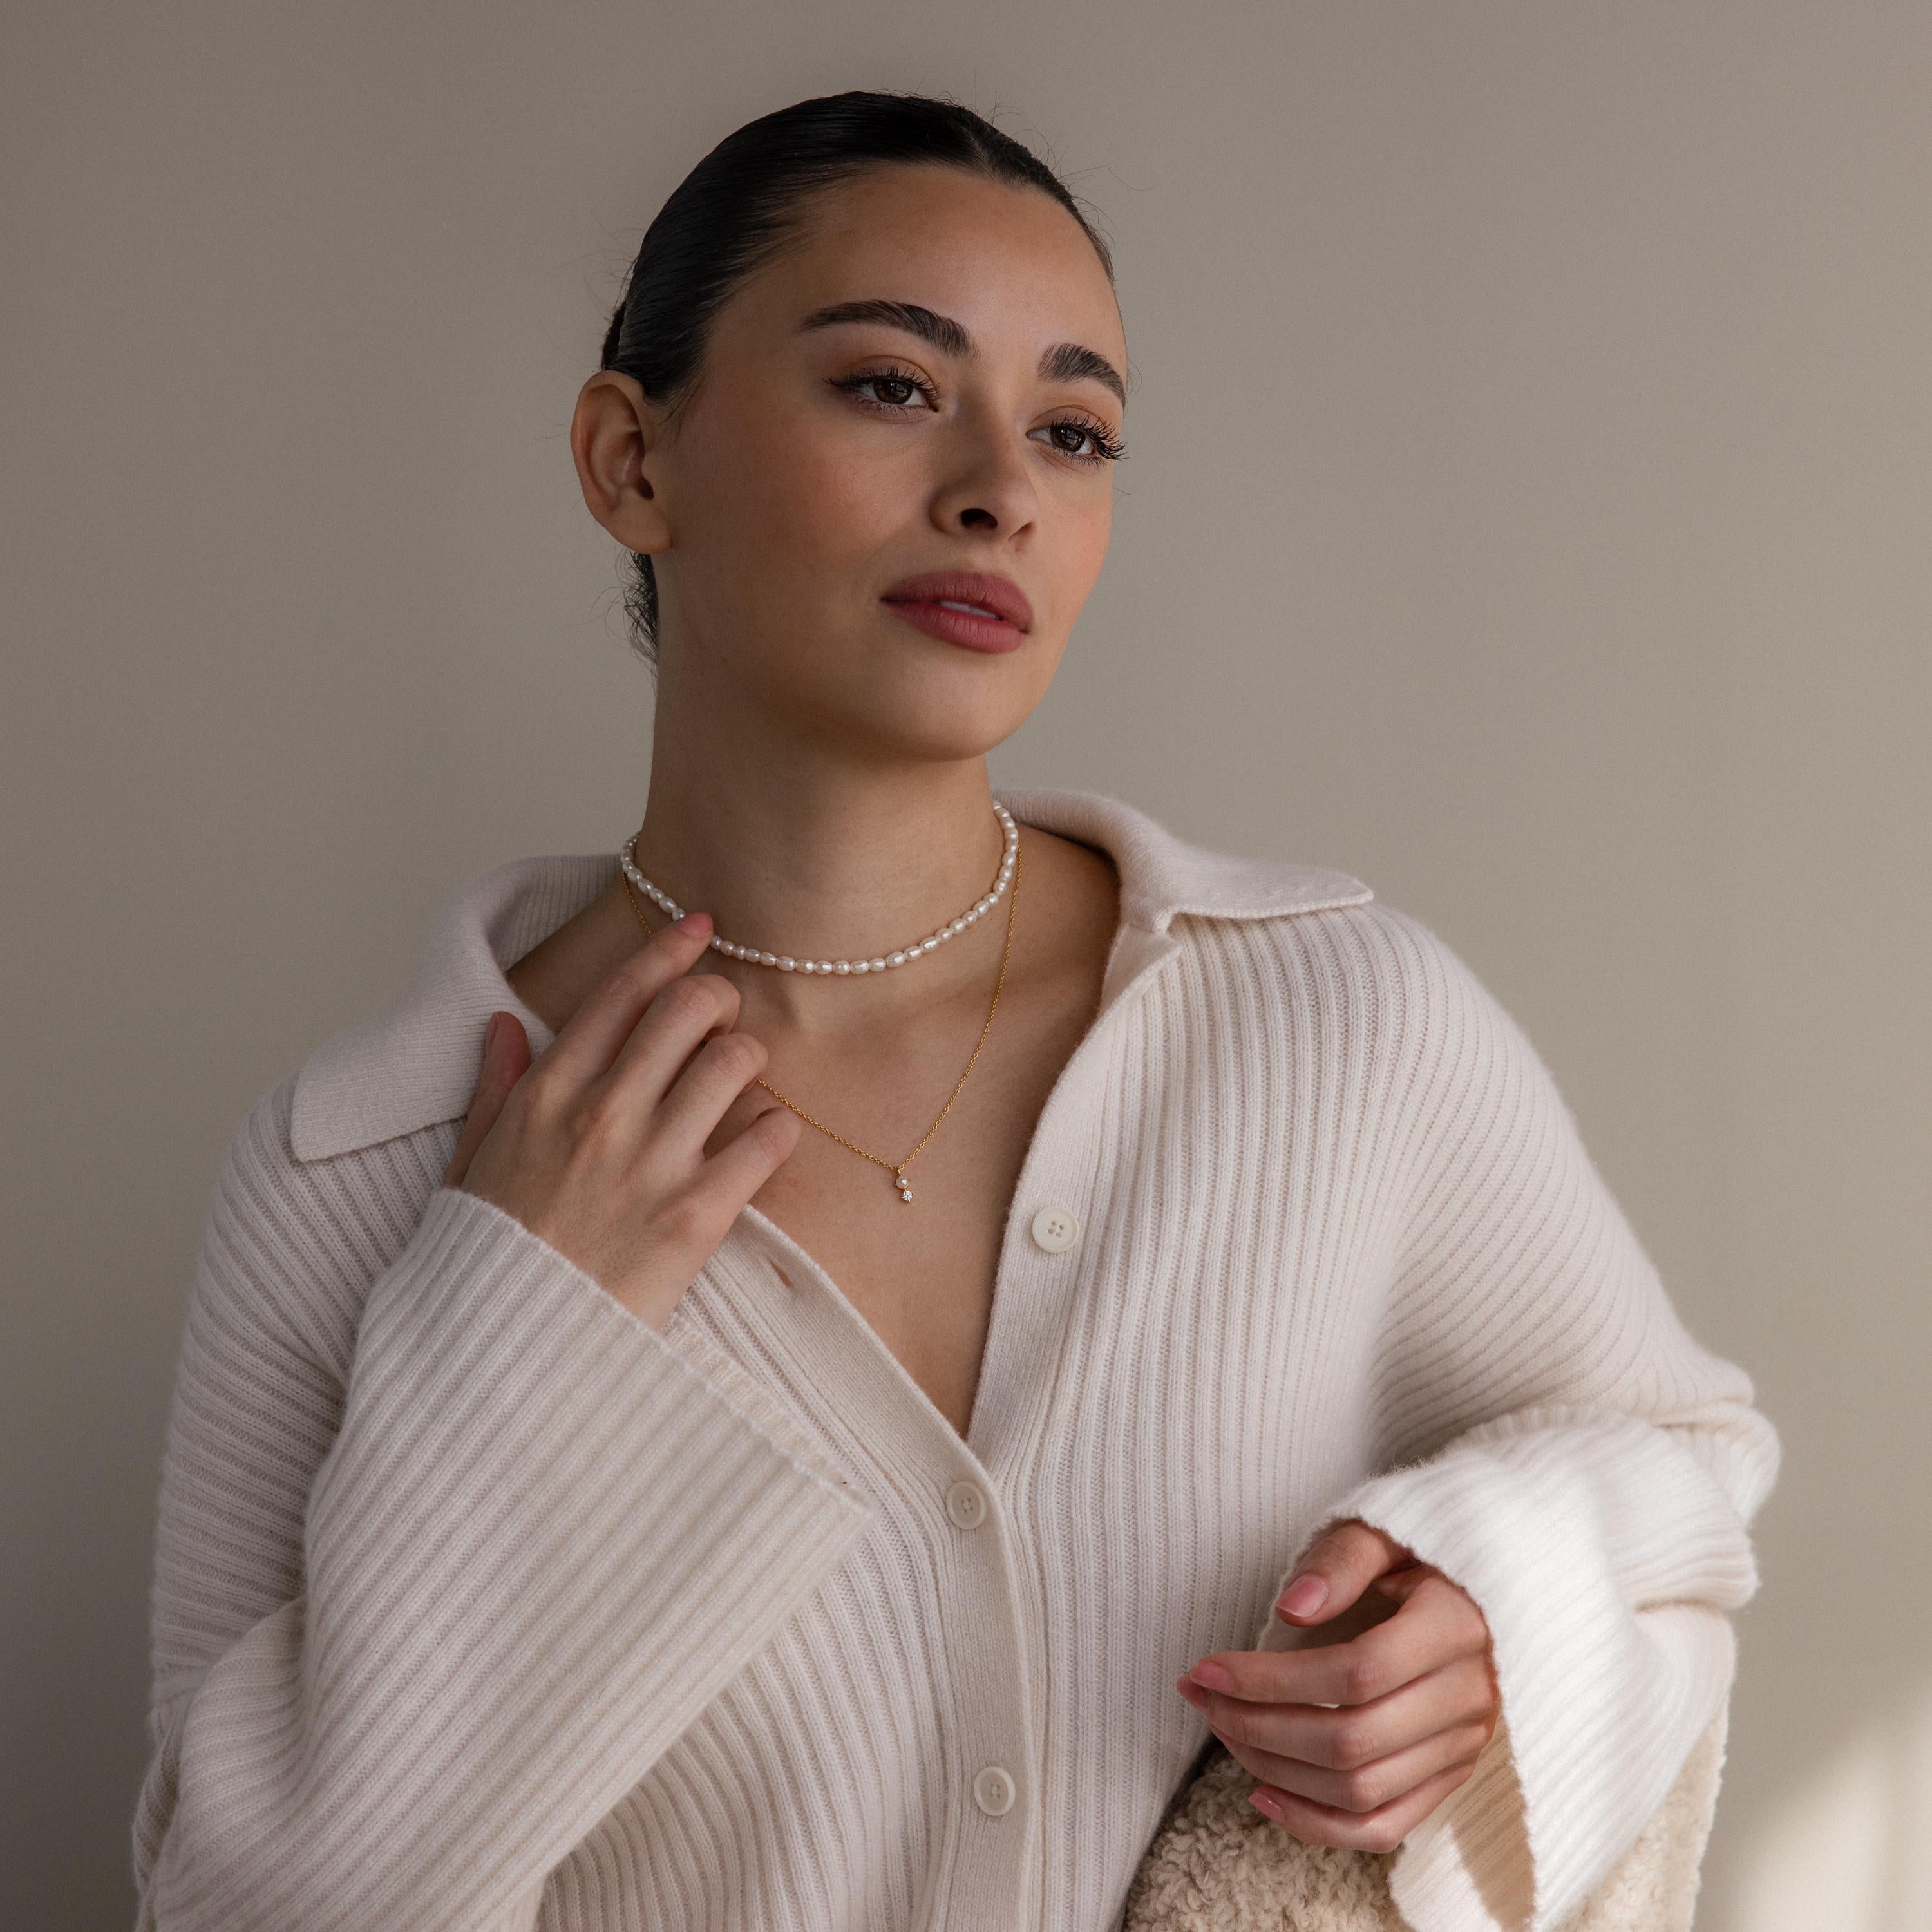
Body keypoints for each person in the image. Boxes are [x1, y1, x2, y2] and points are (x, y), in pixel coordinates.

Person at [132, 90, 1779, 1932]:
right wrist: (509, 1332)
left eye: (1075, 430)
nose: (1001, 484)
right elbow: (240, 1907)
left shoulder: (1340, 1027)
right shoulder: (359, 1170)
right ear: (629, 463)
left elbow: (1686, 1479)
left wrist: (1495, 1625)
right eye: (894, 387)